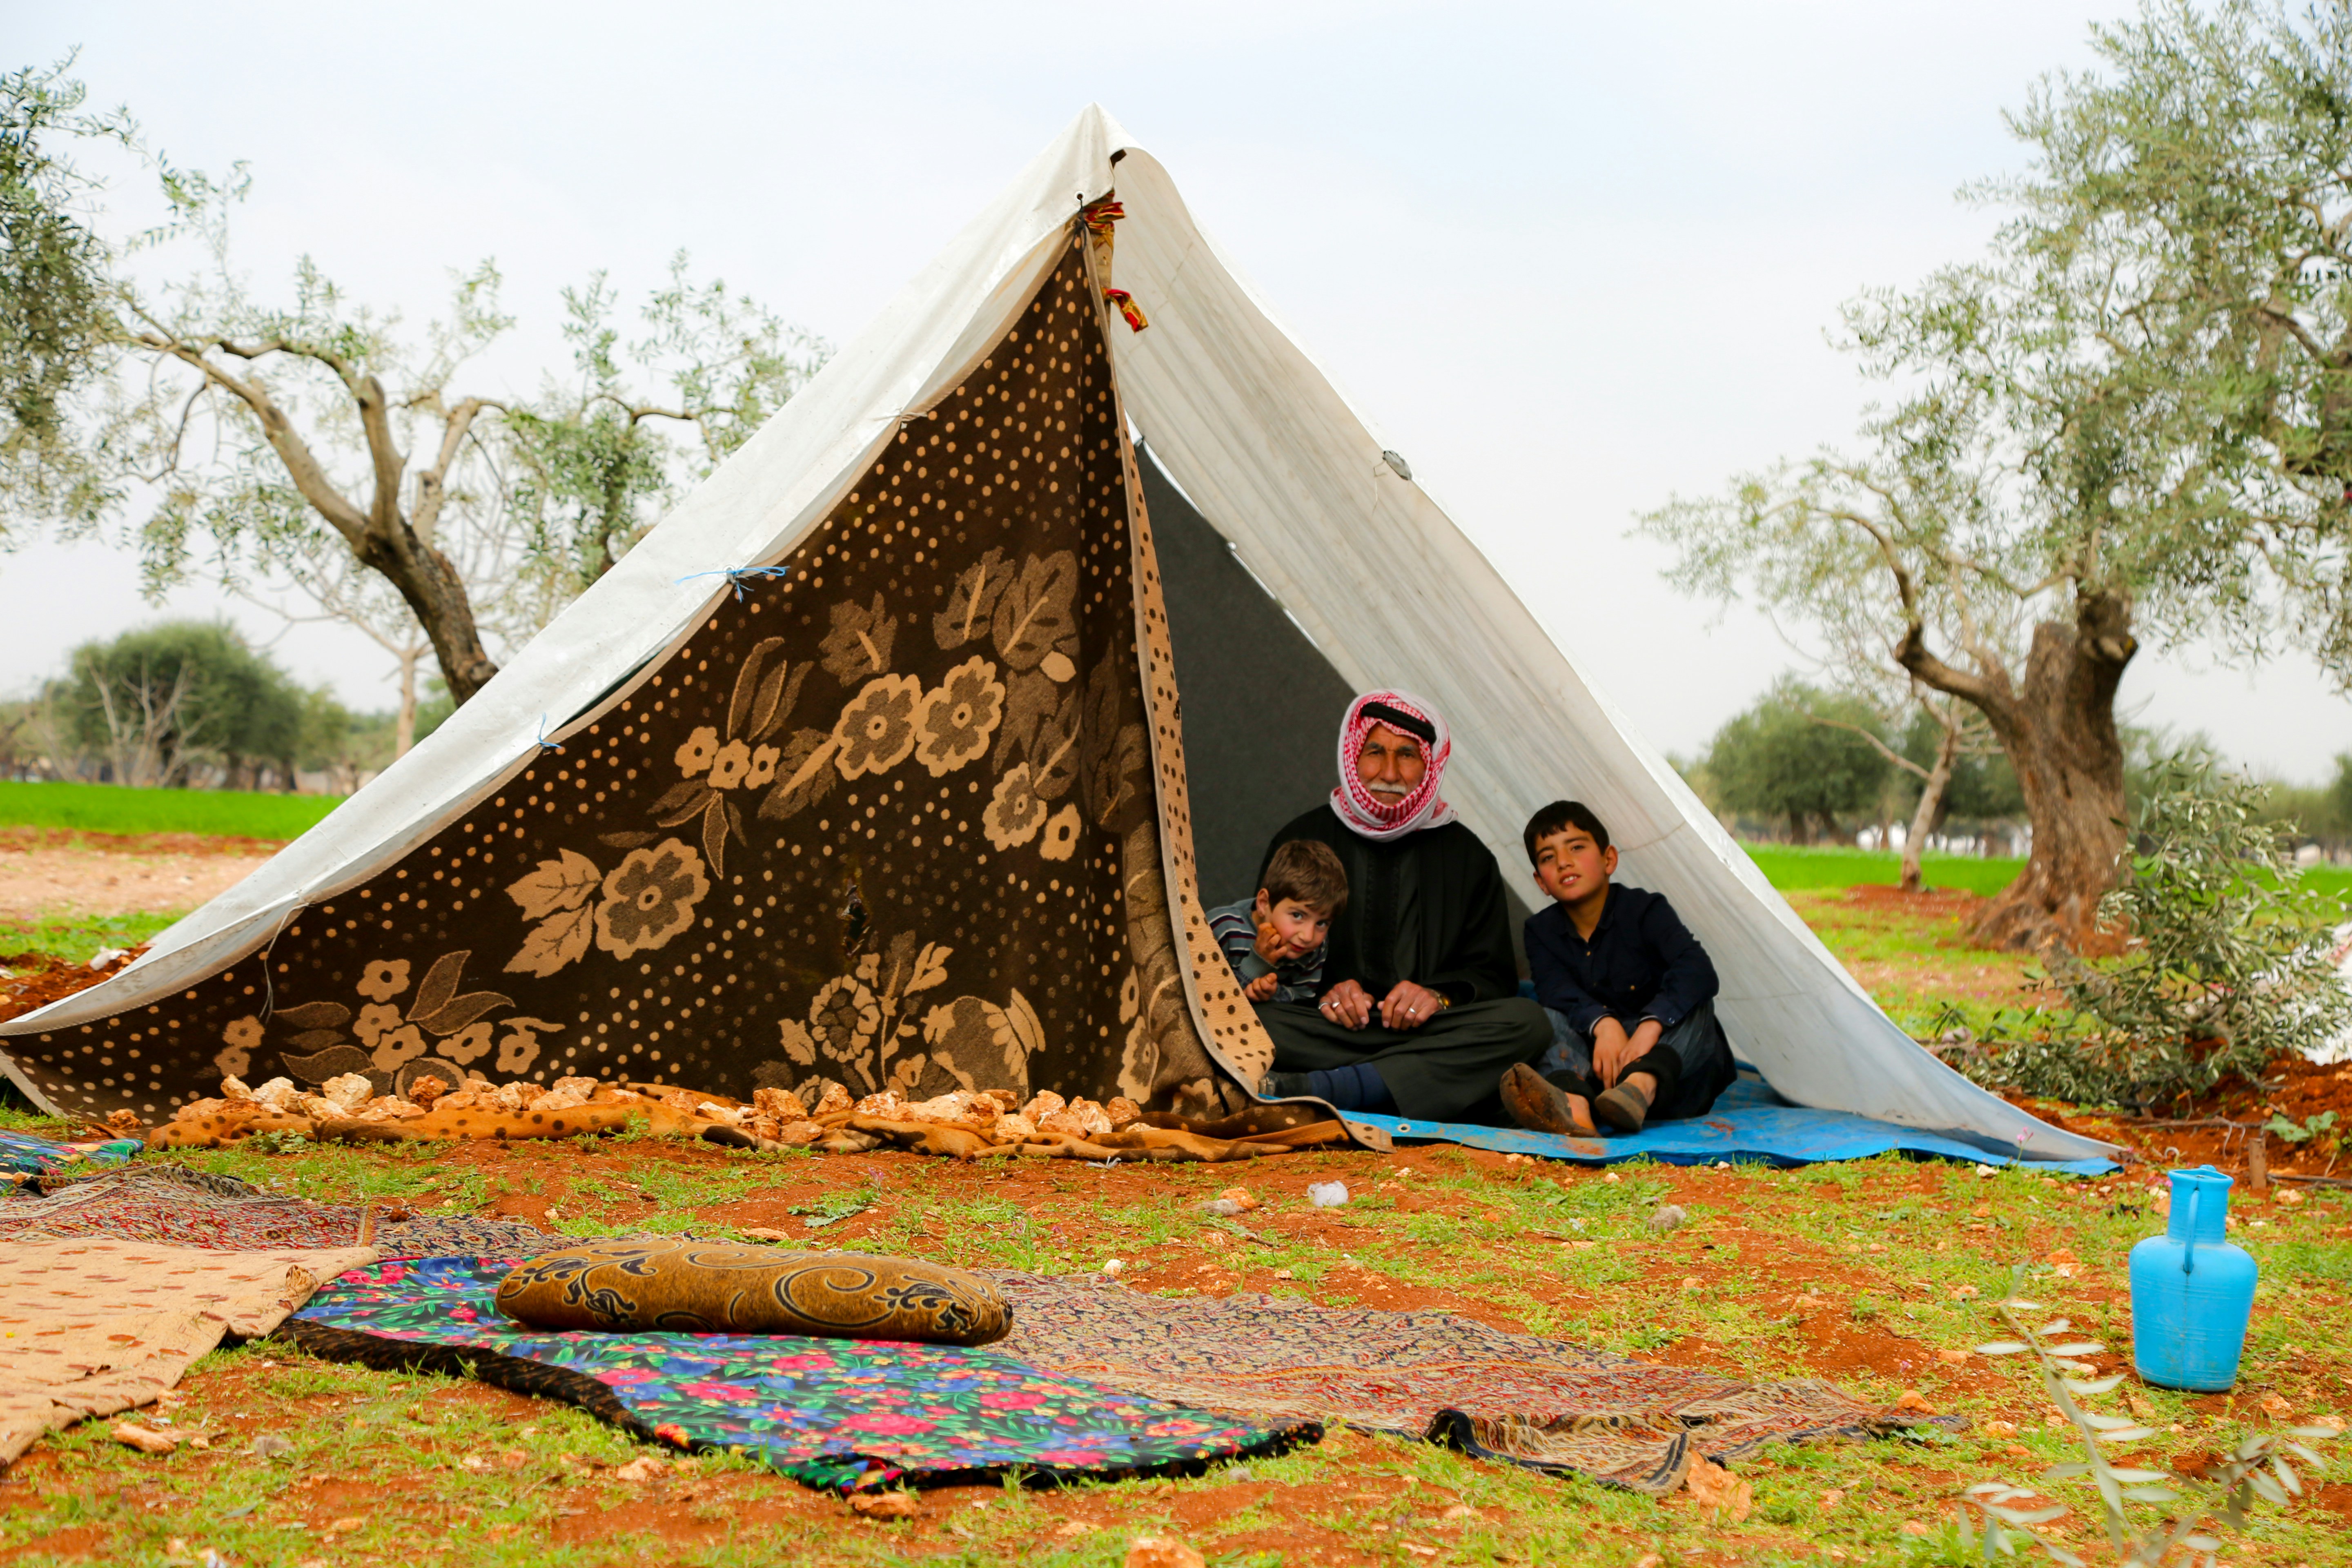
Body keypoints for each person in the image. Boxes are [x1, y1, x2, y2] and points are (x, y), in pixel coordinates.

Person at [1252, 690, 1552, 1122]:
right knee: (1248, 1021)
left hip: (1429, 1034)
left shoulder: (1467, 856)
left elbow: (1494, 975)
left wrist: (1437, 996)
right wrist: (1327, 995)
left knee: (1527, 1022)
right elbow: (1261, 952)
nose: (1389, 772)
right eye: (1375, 751)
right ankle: (1394, 1084)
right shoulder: (1302, 839)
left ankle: (1323, 1088)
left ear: (1429, 765)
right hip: (1326, 1032)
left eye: (1407, 755)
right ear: (1354, 755)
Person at [1501, 800, 1739, 1136]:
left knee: (1697, 1003)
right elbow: (1555, 989)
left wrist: (1651, 1025)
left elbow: (1697, 969)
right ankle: (1574, 1108)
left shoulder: (1646, 910)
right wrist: (1603, 1024)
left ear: (1609, 859)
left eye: (1577, 847)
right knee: (1546, 1014)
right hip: (1598, 1076)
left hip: (1672, 1074)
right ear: (1542, 882)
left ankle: (1639, 1089)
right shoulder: (1540, 931)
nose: (1564, 862)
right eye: (1549, 857)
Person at [1207, 840, 1348, 1004]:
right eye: (1298, 916)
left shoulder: (1315, 947)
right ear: (1264, 903)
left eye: (1322, 923)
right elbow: (1208, 1001)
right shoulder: (1219, 928)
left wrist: (1273, 994)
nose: (1308, 937)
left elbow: (1303, 999)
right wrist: (1259, 961)